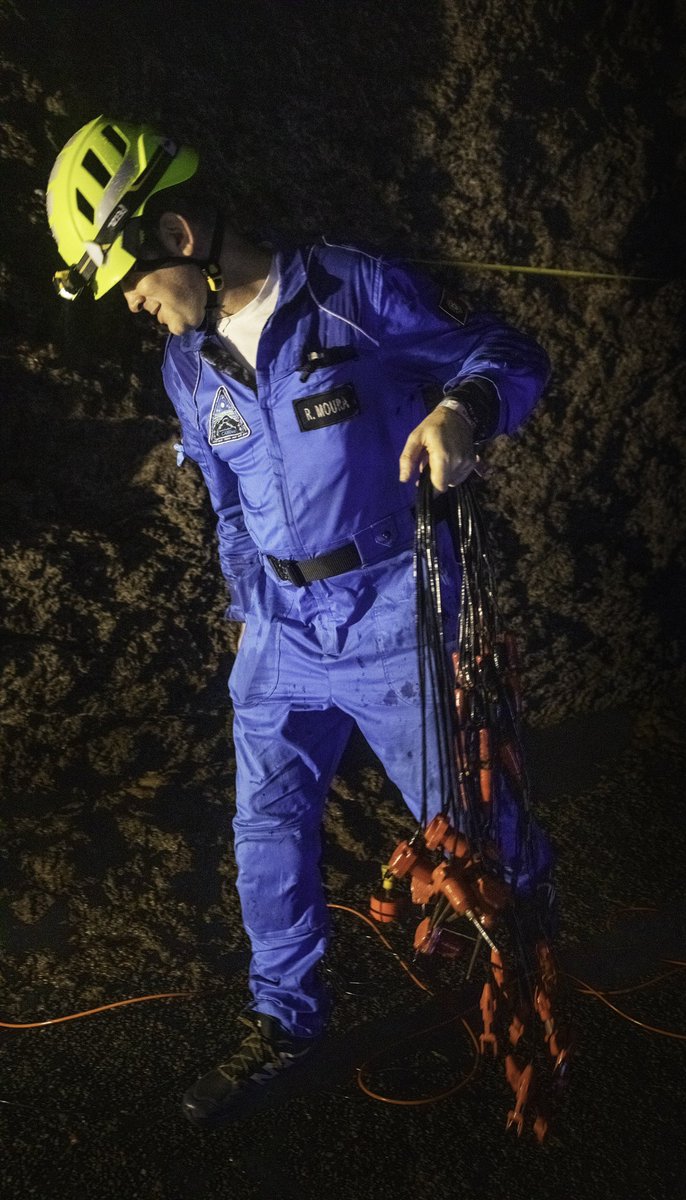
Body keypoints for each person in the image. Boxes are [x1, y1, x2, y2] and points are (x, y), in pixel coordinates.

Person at [47, 116, 554, 1126]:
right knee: (265, 825)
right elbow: (228, 505)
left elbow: (507, 353)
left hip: (390, 616)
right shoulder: (188, 369)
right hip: (279, 635)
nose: (140, 307)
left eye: (137, 284)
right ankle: (284, 1022)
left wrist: (463, 411)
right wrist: (248, 608)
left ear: (178, 232)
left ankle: (531, 948)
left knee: (470, 834)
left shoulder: (352, 292)